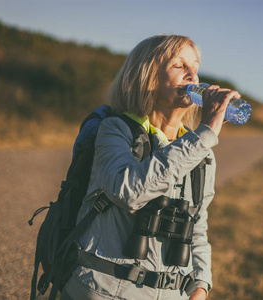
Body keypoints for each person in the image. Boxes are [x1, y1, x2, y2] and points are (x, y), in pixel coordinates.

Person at [60, 34, 241, 300]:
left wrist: (201, 284)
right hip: (103, 291)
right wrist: (203, 135)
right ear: (148, 76)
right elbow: (128, 192)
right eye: (180, 66)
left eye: (196, 68)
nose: (193, 76)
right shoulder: (115, 130)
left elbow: (197, 226)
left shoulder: (200, 153)